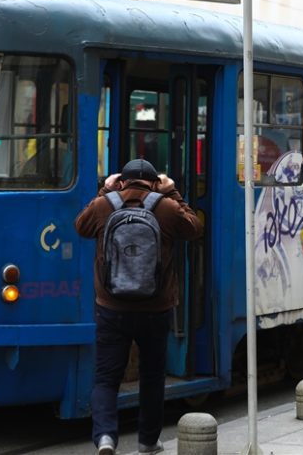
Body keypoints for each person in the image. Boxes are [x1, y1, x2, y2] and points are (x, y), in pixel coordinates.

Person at [75, 159, 203, 455]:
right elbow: (195, 228)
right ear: (154, 184)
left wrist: (102, 190)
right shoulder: (167, 208)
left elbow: (80, 226)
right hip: (155, 309)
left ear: (122, 182)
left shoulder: (104, 205)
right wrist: (173, 193)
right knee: (152, 375)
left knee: (106, 378)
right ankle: (147, 441)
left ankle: (106, 437)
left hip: (111, 307)